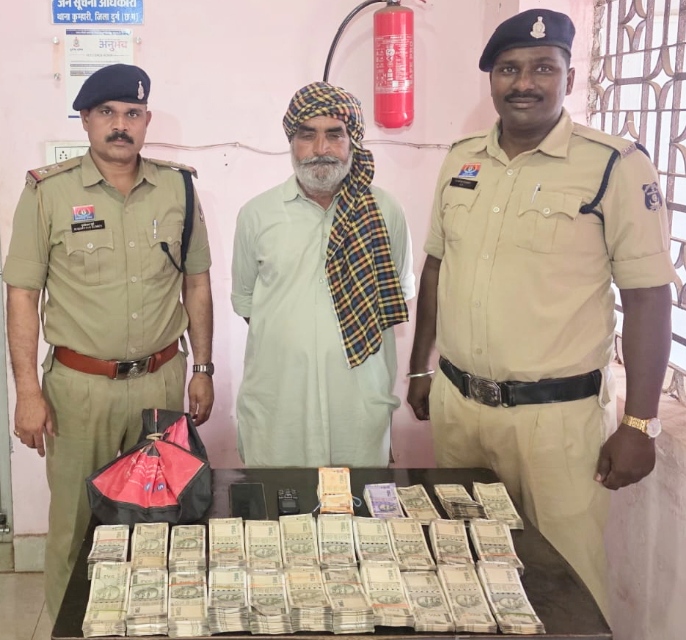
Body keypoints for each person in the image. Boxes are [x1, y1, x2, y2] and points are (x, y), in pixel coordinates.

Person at [407, 8, 675, 619]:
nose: (524, 83)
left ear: (570, 78)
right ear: (492, 79)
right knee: (467, 570)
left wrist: (640, 423)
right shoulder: (462, 160)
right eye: (509, 69)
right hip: (460, 412)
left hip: (556, 425)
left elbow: (647, 296)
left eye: (542, 68)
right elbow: (436, 268)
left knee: (566, 587)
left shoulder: (614, 165)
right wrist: (421, 368)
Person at [4, 63, 214, 621]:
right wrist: (27, 391)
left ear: (146, 120)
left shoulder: (179, 188)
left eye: (132, 114)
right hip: (80, 391)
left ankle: (148, 623)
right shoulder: (48, 193)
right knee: (75, 525)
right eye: (107, 113)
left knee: (160, 516)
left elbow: (196, 282)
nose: (121, 125)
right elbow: (22, 294)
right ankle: (69, 627)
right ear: (85, 119)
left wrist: (203, 368)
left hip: (161, 382)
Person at [231, 81, 414, 467]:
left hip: (358, 405)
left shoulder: (385, 212)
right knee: (279, 502)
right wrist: (298, 339)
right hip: (279, 403)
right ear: (291, 142)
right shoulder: (257, 214)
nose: (320, 148)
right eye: (307, 135)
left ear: (353, 142)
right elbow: (249, 304)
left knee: (358, 503)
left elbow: (394, 299)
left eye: (334, 134)